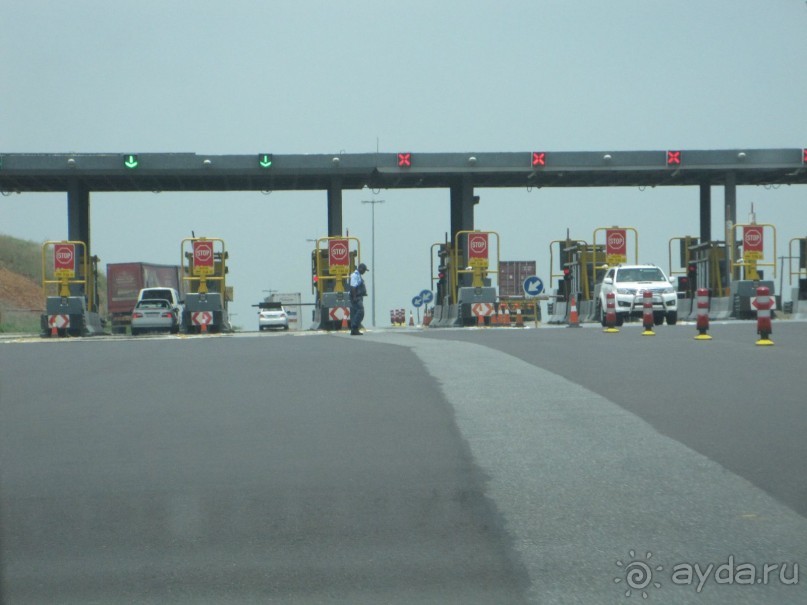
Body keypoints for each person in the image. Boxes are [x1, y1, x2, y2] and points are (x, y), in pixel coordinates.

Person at [349, 262, 369, 335]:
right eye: (364, 270)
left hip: (358, 296)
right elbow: (353, 287)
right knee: (360, 311)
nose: (364, 272)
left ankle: (355, 329)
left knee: (358, 312)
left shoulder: (358, 275)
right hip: (356, 297)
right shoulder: (355, 275)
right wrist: (354, 297)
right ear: (360, 268)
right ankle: (354, 327)